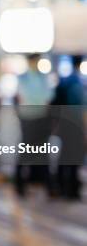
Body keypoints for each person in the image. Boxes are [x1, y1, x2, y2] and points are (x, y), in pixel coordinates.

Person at [14, 53, 54, 197]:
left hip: (41, 118)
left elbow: (48, 98)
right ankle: (20, 185)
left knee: (43, 152)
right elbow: (24, 97)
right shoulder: (23, 78)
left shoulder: (43, 78)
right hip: (28, 118)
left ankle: (46, 184)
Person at [51, 55, 85, 200]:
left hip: (65, 123)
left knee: (65, 156)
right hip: (76, 124)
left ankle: (60, 186)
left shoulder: (64, 82)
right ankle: (71, 190)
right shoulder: (79, 84)